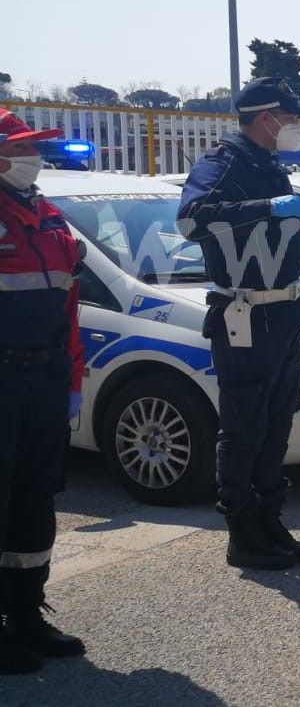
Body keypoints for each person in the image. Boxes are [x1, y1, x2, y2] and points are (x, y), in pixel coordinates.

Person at [177, 77, 300, 571]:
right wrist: (269, 207)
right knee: (243, 427)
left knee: (277, 423)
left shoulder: (268, 165)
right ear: (267, 118)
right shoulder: (223, 163)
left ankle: (269, 520)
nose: (296, 126)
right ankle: (242, 531)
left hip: (282, 312)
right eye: (291, 117)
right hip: (245, 313)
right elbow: (192, 219)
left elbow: (273, 232)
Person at [0, 109, 87, 671]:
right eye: (22, 149)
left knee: (34, 500)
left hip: (46, 376)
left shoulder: (49, 217)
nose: (34, 159)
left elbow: (69, 306)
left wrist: (73, 377)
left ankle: (26, 613)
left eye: (35, 149)